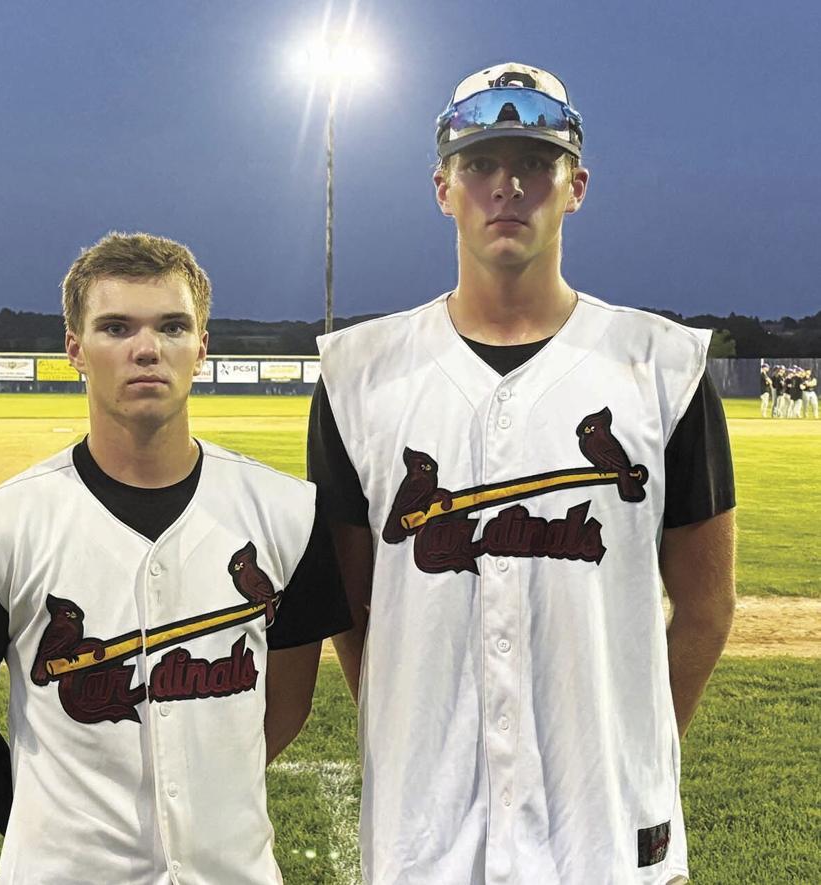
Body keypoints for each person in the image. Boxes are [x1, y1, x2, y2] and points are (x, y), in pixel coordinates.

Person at [308, 62, 736, 884]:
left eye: (535, 165)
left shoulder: (661, 366)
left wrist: (633, 748)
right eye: (479, 164)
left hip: (605, 833)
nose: (507, 185)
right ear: (442, 187)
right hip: (420, 833)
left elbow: (707, 604)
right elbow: (350, 603)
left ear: (576, 186)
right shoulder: (359, 373)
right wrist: (412, 730)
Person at [0, 231, 351, 885]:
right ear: (75, 348)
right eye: (116, 326)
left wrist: (209, 803)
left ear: (201, 347)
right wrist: (47, 829)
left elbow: (285, 706)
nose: (146, 348)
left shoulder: (289, 512)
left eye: (172, 326)